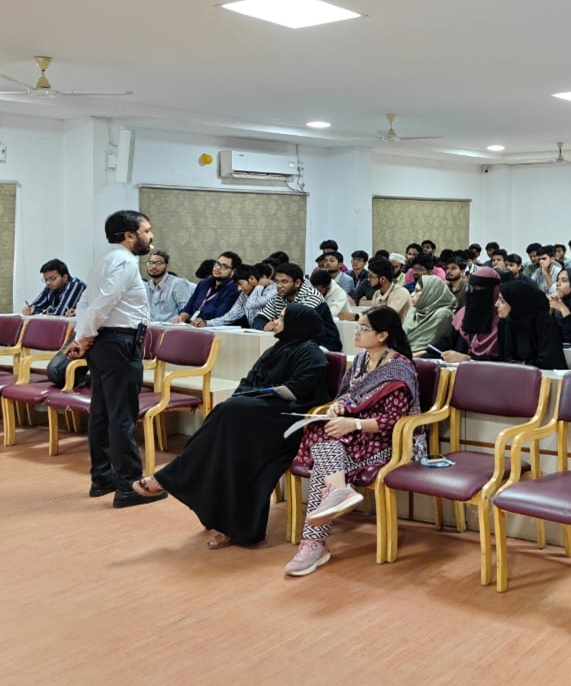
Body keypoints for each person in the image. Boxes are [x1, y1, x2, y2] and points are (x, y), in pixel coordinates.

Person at [130, 304, 331, 547]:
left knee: (230, 413)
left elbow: (299, 391)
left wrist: (249, 400)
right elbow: (249, 380)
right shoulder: (277, 349)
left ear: (297, 323)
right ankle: (209, 509)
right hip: (258, 416)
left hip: (284, 423)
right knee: (224, 438)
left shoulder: (312, 354)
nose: (275, 321)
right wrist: (244, 397)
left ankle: (171, 478)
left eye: (281, 318)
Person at [286, 307, 425, 576]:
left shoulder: (399, 368)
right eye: (358, 327)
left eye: (364, 328)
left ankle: (313, 543)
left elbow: (394, 421)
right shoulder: (361, 360)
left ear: (383, 335)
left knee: (325, 460)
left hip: (387, 441)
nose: (357, 333)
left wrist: (354, 424)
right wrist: (338, 406)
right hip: (354, 435)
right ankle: (338, 493)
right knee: (320, 430)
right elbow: (347, 395)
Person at [65, 209, 163, 508]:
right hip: (119, 343)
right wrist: (83, 336)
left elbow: (86, 302)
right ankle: (129, 486)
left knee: (103, 413)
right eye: (147, 231)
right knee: (121, 416)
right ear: (129, 235)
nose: (151, 236)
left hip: (104, 343)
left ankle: (103, 478)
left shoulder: (104, 260)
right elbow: (103, 304)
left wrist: (83, 336)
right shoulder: (126, 263)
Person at [433, 267, 502, 362]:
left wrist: (468, 359)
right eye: (472, 288)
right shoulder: (463, 313)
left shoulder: (502, 321)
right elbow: (444, 343)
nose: (473, 293)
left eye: (479, 289)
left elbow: (505, 360)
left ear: (494, 292)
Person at [174, 253, 242, 325]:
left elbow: (220, 316)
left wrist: (203, 322)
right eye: (217, 264)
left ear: (233, 271)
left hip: (213, 328)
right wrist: (183, 316)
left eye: (224, 266)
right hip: (192, 325)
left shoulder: (234, 289)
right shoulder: (204, 283)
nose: (217, 268)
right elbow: (188, 307)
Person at [403, 275, 456, 352]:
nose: (412, 294)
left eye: (417, 291)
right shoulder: (414, 309)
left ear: (430, 293)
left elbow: (433, 347)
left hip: (425, 357)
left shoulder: (443, 314)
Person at [143, 250, 193, 322]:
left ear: (167, 266)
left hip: (172, 327)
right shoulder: (146, 286)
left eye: (158, 263)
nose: (153, 266)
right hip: (151, 327)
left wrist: (181, 318)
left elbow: (186, 310)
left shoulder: (177, 283)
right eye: (151, 263)